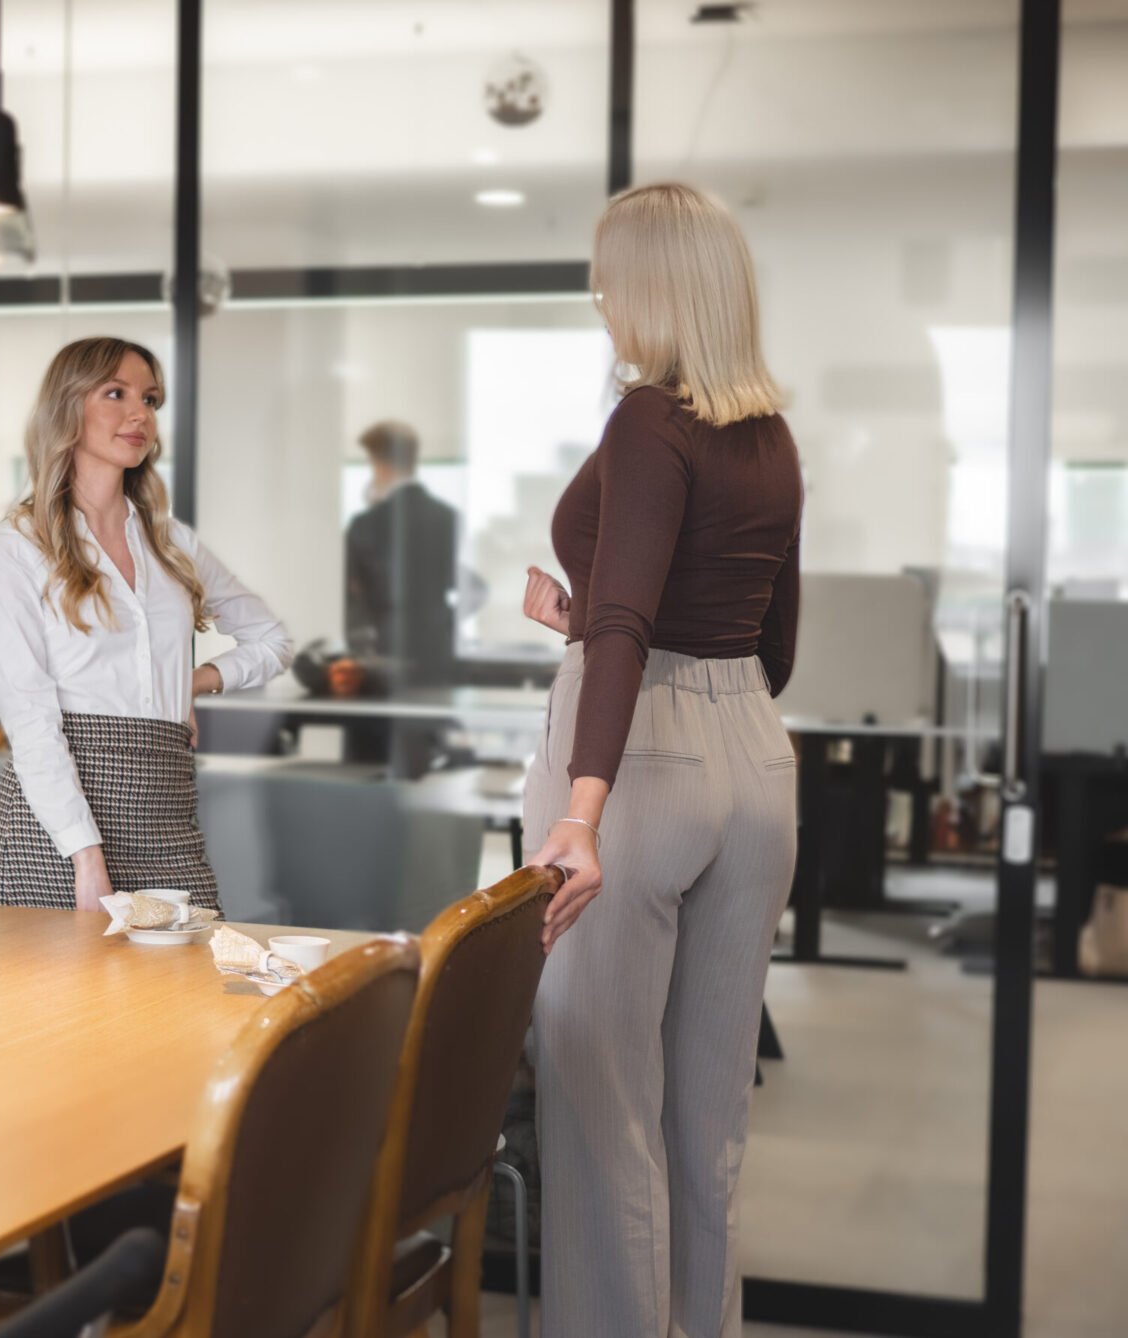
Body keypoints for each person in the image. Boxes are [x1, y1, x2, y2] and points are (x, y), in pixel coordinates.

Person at [520, 182, 803, 1338]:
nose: (601, 298)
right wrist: (588, 612)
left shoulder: (650, 416)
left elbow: (632, 625)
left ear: (654, 287)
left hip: (637, 760)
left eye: (609, 277)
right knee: (708, 1120)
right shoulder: (771, 432)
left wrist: (583, 814)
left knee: (603, 1112)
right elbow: (773, 645)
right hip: (753, 758)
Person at [0, 337, 294, 911]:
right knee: (65, 1002)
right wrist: (86, 857)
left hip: (165, 819)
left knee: (190, 992)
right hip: (56, 835)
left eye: (149, 399)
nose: (139, 414)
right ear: (67, 407)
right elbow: (30, 717)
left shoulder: (171, 543)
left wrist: (189, 682)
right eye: (115, 394)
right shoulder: (18, 546)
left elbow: (271, 641)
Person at [343, 420, 474, 684]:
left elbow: (353, 597)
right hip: (438, 652)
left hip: (385, 653)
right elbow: (461, 582)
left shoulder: (366, 524)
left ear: (379, 463)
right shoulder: (448, 517)